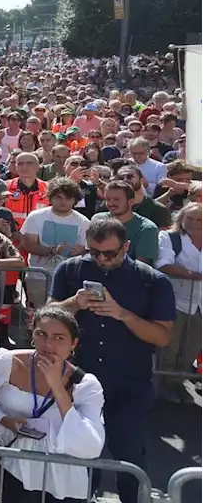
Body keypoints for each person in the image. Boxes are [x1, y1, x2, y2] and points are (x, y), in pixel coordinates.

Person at [50, 217, 175, 503]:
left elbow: (162, 336)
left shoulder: (151, 280)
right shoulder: (71, 270)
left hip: (129, 383)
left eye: (109, 253)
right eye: (94, 253)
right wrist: (73, 303)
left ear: (126, 247)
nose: (101, 260)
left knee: (128, 454)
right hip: (78, 381)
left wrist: (123, 314)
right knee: (78, 454)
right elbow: (48, 314)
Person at [0, 305, 106, 503]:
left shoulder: (86, 385)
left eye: (59, 338)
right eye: (42, 334)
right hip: (16, 467)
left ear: (73, 343)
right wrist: (5, 420)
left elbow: (90, 445)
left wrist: (57, 386)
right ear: (32, 335)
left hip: (64, 478)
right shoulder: (6, 363)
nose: (48, 344)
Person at [154, 202, 203, 404]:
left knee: (192, 346)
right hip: (175, 301)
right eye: (189, 217)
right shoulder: (169, 237)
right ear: (181, 217)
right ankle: (165, 384)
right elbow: (164, 264)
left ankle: (180, 382)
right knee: (169, 346)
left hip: (200, 304)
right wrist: (195, 275)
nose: (193, 222)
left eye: (199, 219)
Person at [21, 179, 91, 307]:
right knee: (39, 314)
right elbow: (29, 245)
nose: (63, 201)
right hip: (38, 277)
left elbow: (85, 248)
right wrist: (52, 250)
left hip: (68, 278)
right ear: (50, 197)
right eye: (58, 197)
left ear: (75, 200)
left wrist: (79, 251)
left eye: (68, 198)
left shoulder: (83, 222)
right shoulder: (35, 216)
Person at [93, 180, 158, 264]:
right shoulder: (98, 219)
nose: (111, 203)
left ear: (131, 201)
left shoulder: (147, 228)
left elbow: (141, 265)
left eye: (117, 199)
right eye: (108, 199)